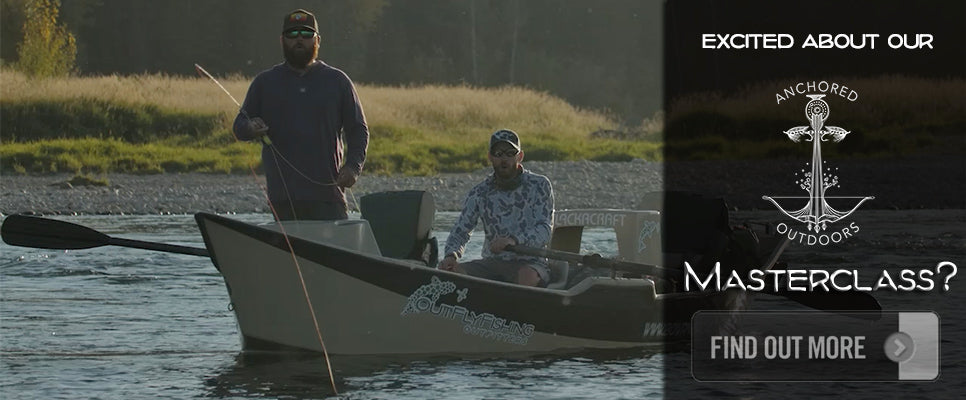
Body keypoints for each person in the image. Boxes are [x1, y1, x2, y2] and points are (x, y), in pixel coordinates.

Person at [233, 8, 369, 221]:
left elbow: (358, 130)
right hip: (282, 199)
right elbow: (239, 126)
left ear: (317, 40)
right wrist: (250, 128)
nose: (299, 40)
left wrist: (353, 167)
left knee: (331, 255)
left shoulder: (338, 81)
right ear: (282, 40)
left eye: (306, 35)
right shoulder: (265, 82)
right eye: (292, 35)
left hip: (328, 197)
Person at [439, 129, 554, 287]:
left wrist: (513, 240)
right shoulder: (479, 192)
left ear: (519, 156)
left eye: (510, 153)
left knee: (527, 276)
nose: (504, 159)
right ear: (490, 157)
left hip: (532, 263)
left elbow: (544, 230)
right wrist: (451, 255)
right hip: (492, 263)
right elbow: (461, 231)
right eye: (498, 153)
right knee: (450, 272)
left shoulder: (540, 185)